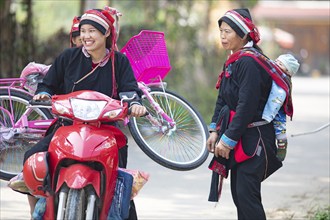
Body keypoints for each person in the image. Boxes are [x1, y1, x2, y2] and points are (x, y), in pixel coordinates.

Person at [8, 7, 146, 219]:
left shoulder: (119, 62)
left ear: (106, 33)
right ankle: (37, 211)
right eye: (83, 31)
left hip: (106, 130)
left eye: (92, 31)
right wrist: (44, 94)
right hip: (67, 126)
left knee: (120, 181)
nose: (86, 36)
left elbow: (129, 90)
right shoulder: (68, 57)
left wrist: (134, 103)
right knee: (32, 158)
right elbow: (48, 84)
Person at [206, 8, 292, 219]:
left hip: (256, 140)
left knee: (246, 196)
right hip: (242, 138)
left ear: (243, 33)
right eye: (221, 31)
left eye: (227, 31)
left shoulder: (249, 62)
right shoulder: (235, 60)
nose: (223, 36)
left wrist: (227, 140)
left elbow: (247, 105)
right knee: (240, 195)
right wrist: (214, 130)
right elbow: (223, 98)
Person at [262, 54, 300, 161]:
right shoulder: (273, 71)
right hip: (272, 104)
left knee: (280, 127)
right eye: (277, 61)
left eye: (281, 64)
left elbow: (278, 96)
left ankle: (282, 145)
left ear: (288, 71)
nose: (277, 64)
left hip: (279, 108)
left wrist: (268, 113)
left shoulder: (282, 80)